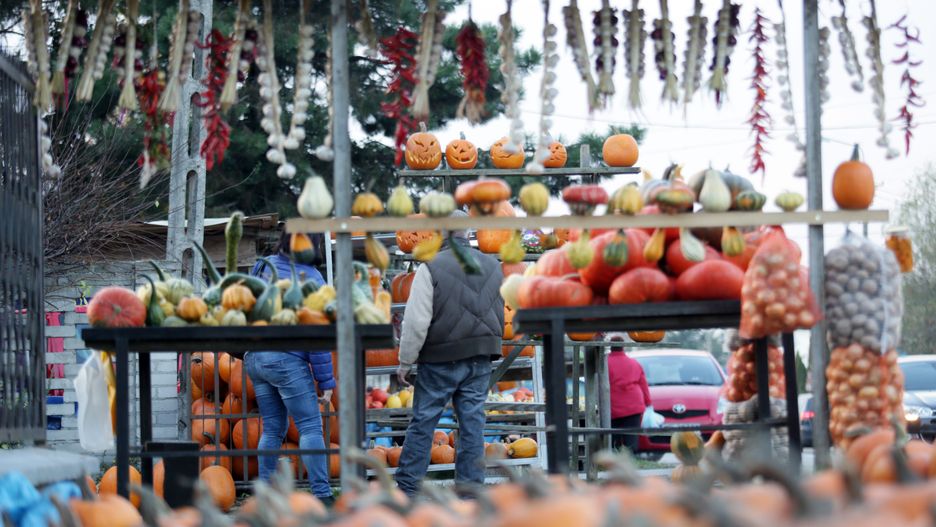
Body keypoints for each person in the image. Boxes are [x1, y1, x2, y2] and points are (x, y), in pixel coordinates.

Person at [394, 210, 504, 497]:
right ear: (467, 232)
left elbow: (416, 321)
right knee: (472, 425)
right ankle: (470, 494)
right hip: (480, 357)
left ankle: (407, 490)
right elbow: (500, 310)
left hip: (440, 358)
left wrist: (405, 361)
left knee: (424, 422)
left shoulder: (430, 268)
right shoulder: (493, 266)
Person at [244, 226, 335, 504]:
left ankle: (266, 494)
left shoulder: (262, 267)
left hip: (256, 358)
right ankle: (322, 494)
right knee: (309, 427)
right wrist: (326, 381)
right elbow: (316, 333)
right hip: (286, 359)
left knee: (272, 429)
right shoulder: (313, 278)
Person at [607, 334, 652, 453]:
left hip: (613, 408)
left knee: (614, 440)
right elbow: (643, 385)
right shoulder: (634, 363)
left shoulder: (605, 364)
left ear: (610, 347)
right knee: (631, 440)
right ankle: (631, 463)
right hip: (634, 407)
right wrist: (648, 403)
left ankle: (615, 462)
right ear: (623, 347)